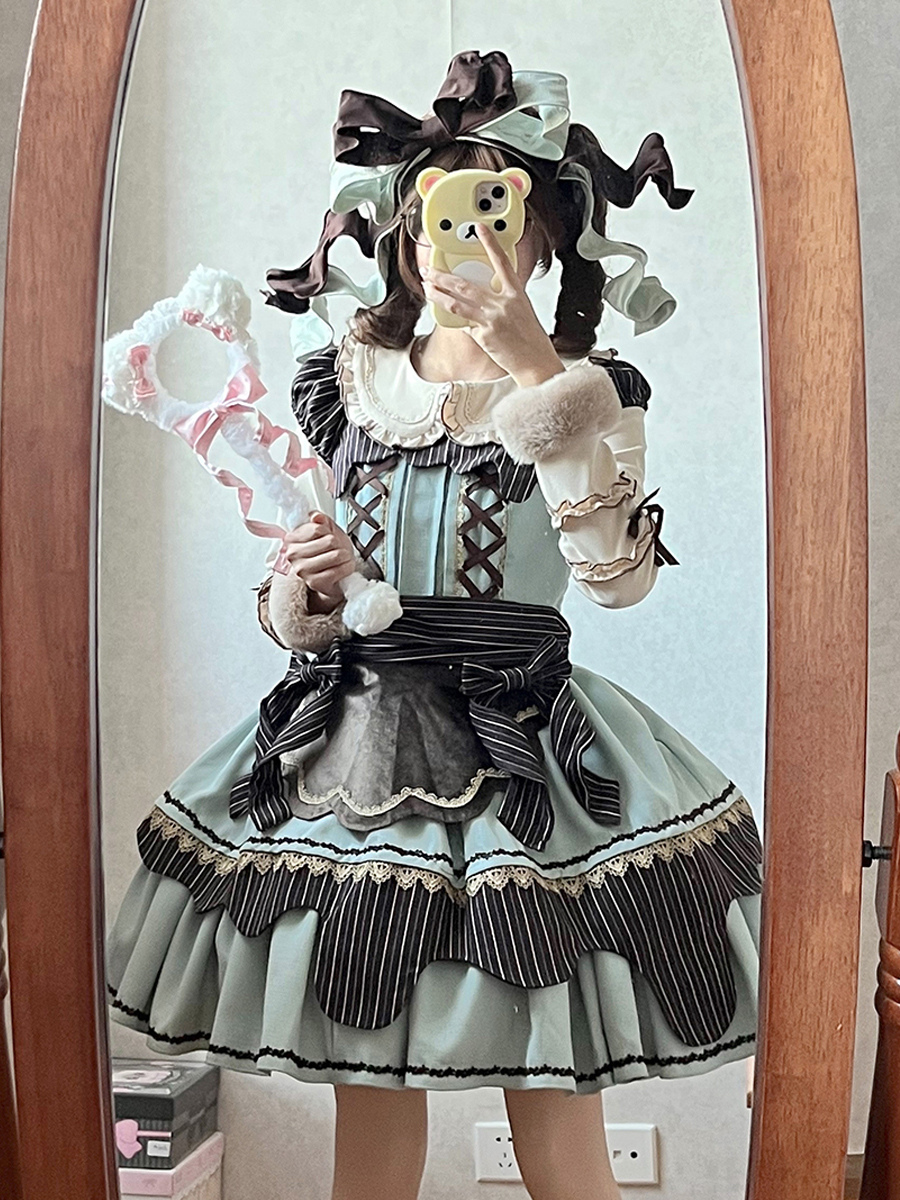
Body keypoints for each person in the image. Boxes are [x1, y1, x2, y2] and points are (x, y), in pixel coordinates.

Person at [106, 51, 763, 1200]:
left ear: (546, 232)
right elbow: (303, 596)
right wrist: (305, 590)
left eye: (496, 211)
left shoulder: (596, 388)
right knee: (368, 1089)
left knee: (556, 1097)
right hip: (354, 744)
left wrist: (535, 368)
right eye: (438, 213)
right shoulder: (343, 383)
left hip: (530, 746)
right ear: (403, 230)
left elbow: (616, 582)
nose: (465, 241)